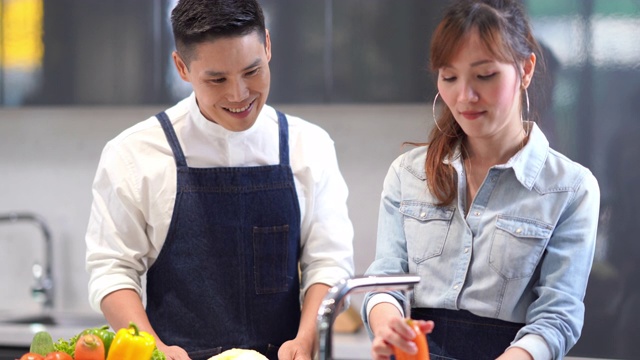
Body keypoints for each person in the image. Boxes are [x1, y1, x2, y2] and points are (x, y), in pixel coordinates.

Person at [84, 1, 354, 359]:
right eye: (217, 79)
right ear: (182, 67)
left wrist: (307, 340)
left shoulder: (310, 146)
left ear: (268, 46)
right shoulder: (134, 153)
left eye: (252, 71)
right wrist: (154, 351)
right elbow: (112, 268)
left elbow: (329, 262)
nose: (239, 94)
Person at [360, 1, 600, 360]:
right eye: (449, 76)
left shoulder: (571, 189)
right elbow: (385, 283)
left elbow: (556, 318)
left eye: (484, 75)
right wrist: (388, 327)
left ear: (526, 69)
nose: (464, 96)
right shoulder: (407, 173)